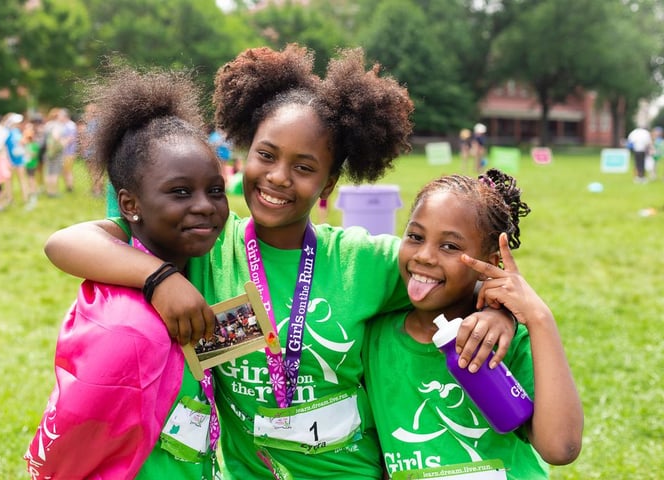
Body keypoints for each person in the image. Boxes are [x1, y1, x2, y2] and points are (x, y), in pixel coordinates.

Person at [43, 45, 517, 479]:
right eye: (266, 155)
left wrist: (499, 313)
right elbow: (65, 243)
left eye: (304, 167)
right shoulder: (204, 244)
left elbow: (465, 278)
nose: (278, 178)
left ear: (328, 186)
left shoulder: (361, 260)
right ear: (244, 155)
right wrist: (158, 278)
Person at [24, 66, 229, 480]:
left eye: (216, 190)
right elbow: (64, 464)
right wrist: (158, 278)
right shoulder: (128, 331)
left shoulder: (202, 254)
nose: (205, 205)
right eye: (180, 192)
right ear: (130, 205)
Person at [364, 169, 583, 479]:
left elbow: (561, 448)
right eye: (415, 236)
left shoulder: (505, 343)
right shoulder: (375, 337)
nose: (425, 256)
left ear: (489, 265)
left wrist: (538, 318)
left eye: (450, 246)